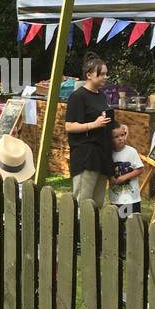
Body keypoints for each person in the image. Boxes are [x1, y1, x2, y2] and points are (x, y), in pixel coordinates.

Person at [64, 53, 114, 207]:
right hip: (86, 156)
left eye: (106, 73)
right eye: (102, 74)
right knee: (83, 201)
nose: (106, 77)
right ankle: (79, 230)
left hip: (102, 154)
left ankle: (93, 231)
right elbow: (69, 126)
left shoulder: (101, 96)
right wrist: (93, 124)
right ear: (89, 75)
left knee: (97, 202)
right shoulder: (77, 97)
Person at [109, 121, 143, 219]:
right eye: (116, 137)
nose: (120, 138)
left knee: (131, 223)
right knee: (117, 224)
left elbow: (140, 169)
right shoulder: (109, 154)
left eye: (122, 135)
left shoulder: (131, 152)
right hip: (115, 198)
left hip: (131, 199)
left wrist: (124, 178)